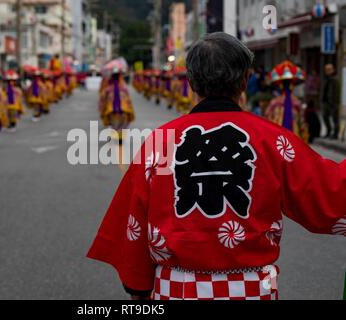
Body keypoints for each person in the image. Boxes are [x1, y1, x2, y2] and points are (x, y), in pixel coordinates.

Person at [88, 32, 346, 301]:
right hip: (251, 291)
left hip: (176, 290)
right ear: (245, 80)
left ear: (190, 82)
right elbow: (332, 194)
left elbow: (134, 223)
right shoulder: (273, 139)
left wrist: (139, 288)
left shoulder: (160, 143)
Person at [265, 60, 309, 142]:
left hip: (276, 138)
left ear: (280, 86)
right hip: (293, 139)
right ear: (292, 86)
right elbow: (302, 123)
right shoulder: (296, 102)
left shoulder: (274, 102)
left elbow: (267, 120)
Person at [99, 67, 135, 144]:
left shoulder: (108, 89)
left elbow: (103, 100)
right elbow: (128, 100)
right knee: (123, 123)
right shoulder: (124, 88)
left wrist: (102, 109)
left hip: (111, 110)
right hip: (123, 109)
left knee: (114, 124)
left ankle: (117, 134)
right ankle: (120, 137)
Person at [322, 64, 340, 139]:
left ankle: (335, 134)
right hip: (326, 101)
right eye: (326, 70)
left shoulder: (335, 79)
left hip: (333, 102)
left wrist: (335, 102)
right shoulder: (326, 79)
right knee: (325, 116)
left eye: (329, 69)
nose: (327, 71)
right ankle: (328, 131)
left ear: (333, 70)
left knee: (335, 118)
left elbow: (337, 92)